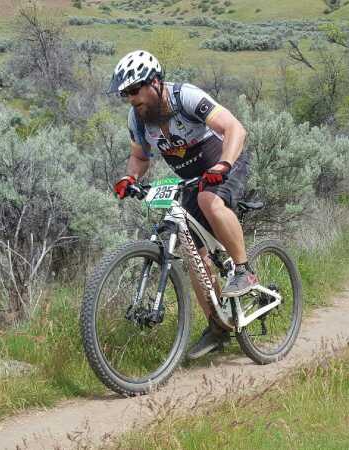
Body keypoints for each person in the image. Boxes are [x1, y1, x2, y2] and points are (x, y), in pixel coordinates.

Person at [108, 50, 257, 359]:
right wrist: (129, 177)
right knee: (194, 258)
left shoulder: (184, 96)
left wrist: (224, 165)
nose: (130, 98)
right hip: (192, 178)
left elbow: (234, 129)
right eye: (125, 93)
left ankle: (244, 271)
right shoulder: (137, 117)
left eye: (134, 90)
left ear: (155, 82)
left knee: (208, 199)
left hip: (226, 162)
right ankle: (219, 328)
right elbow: (140, 156)